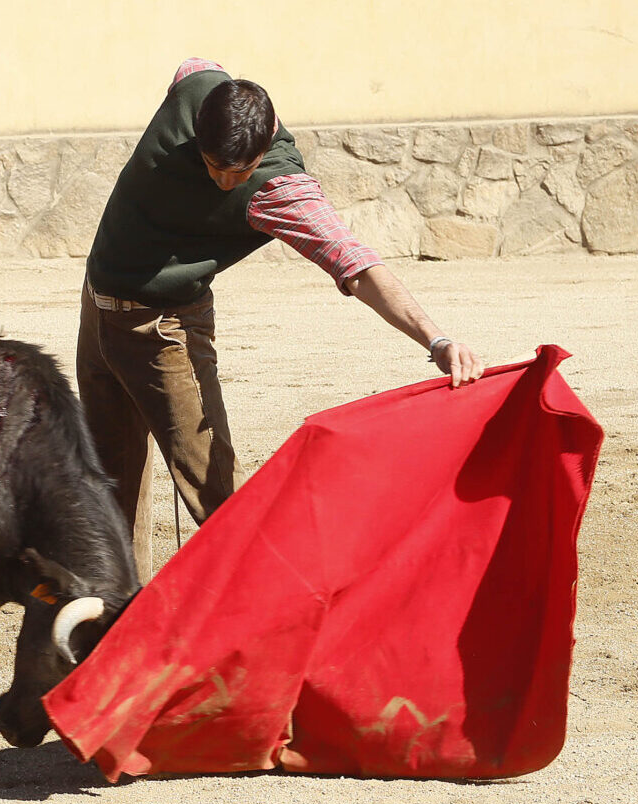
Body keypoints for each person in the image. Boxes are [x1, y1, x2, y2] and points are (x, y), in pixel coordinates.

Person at [76, 58, 485, 578]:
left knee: (213, 489)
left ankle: (286, 603)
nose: (225, 181)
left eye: (238, 171)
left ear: (266, 141)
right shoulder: (198, 86)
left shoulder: (279, 190)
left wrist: (436, 338)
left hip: (163, 331)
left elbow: (355, 263)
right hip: (97, 312)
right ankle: (118, 622)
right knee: (108, 478)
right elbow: (197, 65)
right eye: (212, 165)